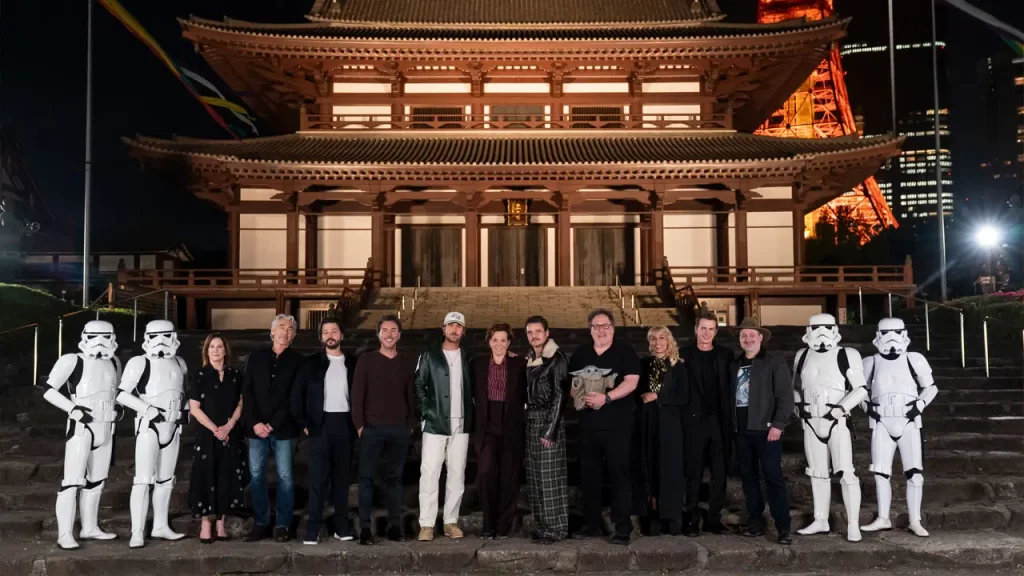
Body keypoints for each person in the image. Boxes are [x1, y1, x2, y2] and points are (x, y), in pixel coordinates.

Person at [43, 320, 121, 550]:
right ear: (85, 336)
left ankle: (90, 527)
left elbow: (115, 391)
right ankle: (65, 533)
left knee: (96, 481)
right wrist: (73, 409)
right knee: (72, 481)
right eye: (94, 336)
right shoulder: (72, 360)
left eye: (106, 336)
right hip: (81, 426)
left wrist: (119, 409)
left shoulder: (114, 362)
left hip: (106, 426)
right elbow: (49, 390)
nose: (100, 342)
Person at [568, 309, 641, 545]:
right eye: (596, 326)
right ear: (590, 329)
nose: (601, 330)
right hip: (588, 425)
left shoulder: (624, 351)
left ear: (613, 328)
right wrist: (579, 397)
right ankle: (591, 525)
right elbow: (573, 384)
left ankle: (623, 528)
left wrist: (606, 398)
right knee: (589, 477)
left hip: (616, 425)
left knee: (619, 476)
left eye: (605, 325)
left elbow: (632, 382)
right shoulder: (580, 353)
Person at [794, 313, 867, 543]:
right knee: (817, 473)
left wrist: (840, 409)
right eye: (816, 328)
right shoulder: (802, 355)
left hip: (837, 421)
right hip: (811, 420)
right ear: (808, 330)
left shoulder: (847, 354)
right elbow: (795, 385)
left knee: (846, 473)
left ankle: (853, 524)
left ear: (835, 329)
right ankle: (820, 519)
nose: (821, 333)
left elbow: (861, 389)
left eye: (826, 327)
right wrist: (798, 406)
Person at [861, 317, 936, 538]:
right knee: (881, 472)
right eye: (886, 333)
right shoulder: (870, 362)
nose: (891, 338)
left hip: (908, 420)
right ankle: (883, 517)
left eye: (896, 332)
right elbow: (859, 390)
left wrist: (920, 405)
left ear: (904, 334)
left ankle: (915, 520)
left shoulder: (915, 359)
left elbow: (930, 387)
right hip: (882, 421)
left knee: (915, 473)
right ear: (878, 335)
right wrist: (866, 406)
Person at [117, 320, 189, 549]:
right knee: (143, 480)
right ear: (147, 337)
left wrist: (185, 411)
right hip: (149, 426)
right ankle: (137, 531)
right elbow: (122, 394)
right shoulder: (139, 362)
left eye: (166, 335)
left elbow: (184, 392)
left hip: (172, 426)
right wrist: (148, 409)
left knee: (166, 480)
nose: (161, 341)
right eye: (155, 336)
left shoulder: (179, 362)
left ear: (173, 336)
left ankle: (160, 525)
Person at [351, 314, 417, 545]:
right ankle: (365, 528)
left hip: (399, 429)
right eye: (385, 330)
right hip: (372, 429)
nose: (389, 334)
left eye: (393, 330)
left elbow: (411, 396)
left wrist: (411, 426)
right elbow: (357, 395)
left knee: (395, 479)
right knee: (366, 479)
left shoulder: (407, 362)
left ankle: (395, 526)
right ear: (379, 334)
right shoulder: (366, 361)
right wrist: (360, 426)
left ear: (399, 335)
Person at [295, 317, 358, 545]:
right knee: (317, 479)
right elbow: (296, 395)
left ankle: (341, 527)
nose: (330, 335)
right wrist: (304, 422)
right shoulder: (310, 364)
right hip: (320, 424)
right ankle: (313, 528)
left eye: (334, 331)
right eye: (326, 332)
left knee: (342, 479)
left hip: (345, 424)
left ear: (341, 335)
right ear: (321, 337)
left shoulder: (354, 363)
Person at [730, 318, 793, 545]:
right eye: (743, 335)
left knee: (773, 477)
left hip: (766, 430)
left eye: (751, 335)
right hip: (741, 430)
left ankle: (783, 527)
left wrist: (778, 424)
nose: (747, 339)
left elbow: (785, 396)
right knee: (748, 478)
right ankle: (755, 522)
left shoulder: (773, 362)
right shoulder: (735, 364)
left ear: (760, 338)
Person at [242, 313, 303, 543]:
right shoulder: (256, 358)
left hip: (284, 428)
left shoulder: (298, 361)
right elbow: (247, 392)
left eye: (290, 329)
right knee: (257, 475)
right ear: (272, 332)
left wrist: (272, 424)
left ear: (293, 336)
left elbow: (294, 397)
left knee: (285, 476)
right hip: (256, 428)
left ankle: (282, 525)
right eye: (281, 327)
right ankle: (261, 522)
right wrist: (255, 422)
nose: (285, 331)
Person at [415, 311, 474, 541]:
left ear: (463, 331)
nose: (454, 330)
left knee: (457, 473)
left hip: (462, 423)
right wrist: (427, 412)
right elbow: (419, 385)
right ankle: (426, 524)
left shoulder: (468, 356)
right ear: (443, 329)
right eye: (450, 325)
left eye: (458, 326)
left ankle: (451, 521)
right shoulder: (430, 355)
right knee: (430, 472)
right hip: (435, 422)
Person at [187, 333, 247, 544]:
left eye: (219, 346)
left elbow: (241, 403)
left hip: (230, 433)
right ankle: (206, 524)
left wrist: (229, 426)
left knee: (226, 476)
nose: (215, 350)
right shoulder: (200, 375)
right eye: (211, 347)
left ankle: (221, 523)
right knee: (206, 475)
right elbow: (194, 408)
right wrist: (215, 429)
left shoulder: (235, 375)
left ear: (225, 350)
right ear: (206, 351)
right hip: (207, 433)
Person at [679, 312, 734, 537]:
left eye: (711, 329)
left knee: (719, 474)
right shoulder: (683, 354)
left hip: (719, 422)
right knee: (693, 473)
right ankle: (690, 519)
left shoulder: (726, 355)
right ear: (696, 329)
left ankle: (714, 519)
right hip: (693, 422)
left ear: (716, 331)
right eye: (703, 328)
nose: (706, 333)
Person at [473, 323, 527, 539]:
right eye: (495, 340)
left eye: (503, 340)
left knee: (509, 478)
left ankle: (503, 526)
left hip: (511, 427)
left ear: (509, 342)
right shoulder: (477, 364)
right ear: (489, 341)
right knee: (486, 473)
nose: (499, 344)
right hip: (487, 428)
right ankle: (488, 525)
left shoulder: (519, 364)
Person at [635, 325, 689, 536]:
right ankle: (653, 518)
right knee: (650, 467)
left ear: (669, 341)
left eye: (662, 338)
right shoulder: (644, 364)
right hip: (647, 421)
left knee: (669, 469)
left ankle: (672, 518)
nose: (658, 342)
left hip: (670, 424)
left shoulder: (678, 365)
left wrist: (657, 396)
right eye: (653, 338)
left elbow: (683, 397)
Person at [524, 315, 570, 544]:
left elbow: (560, 396)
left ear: (547, 333)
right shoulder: (529, 358)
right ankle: (542, 526)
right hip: (531, 419)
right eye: (530, 332)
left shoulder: (557, 359)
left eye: (538, 331)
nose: (534, 336)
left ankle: (556, 528)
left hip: (548, 419)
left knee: (550, 477)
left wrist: (550, 430)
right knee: (535, 477)